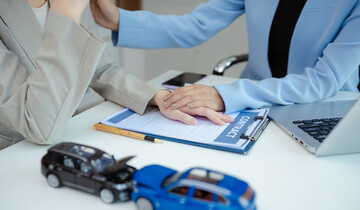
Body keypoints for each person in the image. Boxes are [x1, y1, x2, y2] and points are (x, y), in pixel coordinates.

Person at [0, 0, 233, 150]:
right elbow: (38, 124)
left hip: (84, 131)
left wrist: (160, 97)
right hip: (22, 152)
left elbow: (102, 69)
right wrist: (66, 15)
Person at [90, 0, 360, 115]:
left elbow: (323, 82)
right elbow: (197, 25)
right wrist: (118, 20)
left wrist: (224, 95)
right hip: (253, 107)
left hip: (321, 109)